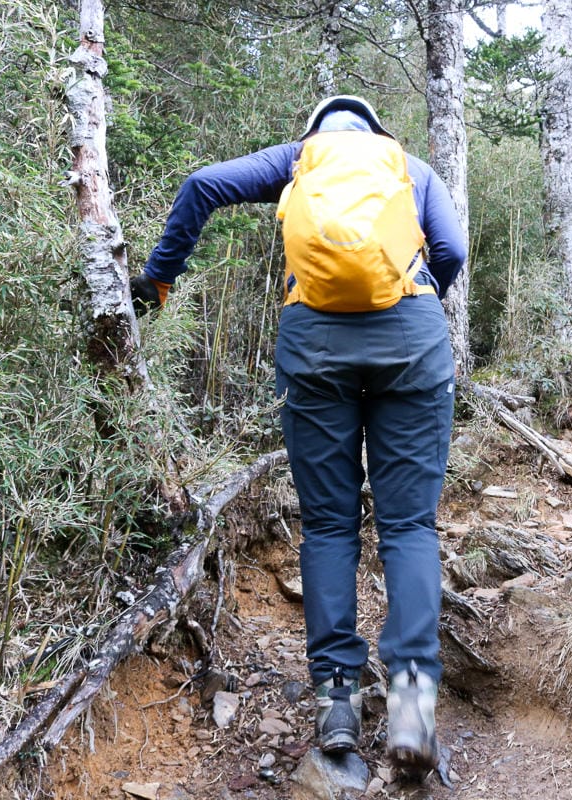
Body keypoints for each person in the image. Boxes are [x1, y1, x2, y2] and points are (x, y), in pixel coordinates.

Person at [135, 96, 467, 770]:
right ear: (375, 133)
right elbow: (453, 249)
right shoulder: (410, 167)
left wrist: (159, 280)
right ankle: (409, 708)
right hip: (413, 339)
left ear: (315, 134)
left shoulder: (296, 162)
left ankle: (337, 703)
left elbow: (202, 185)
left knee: (330, 526)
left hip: (315, 345)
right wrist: (424, 292)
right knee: (407, 528)